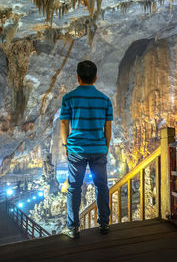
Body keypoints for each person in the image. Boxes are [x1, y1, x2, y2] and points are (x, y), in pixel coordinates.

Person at [60, 60, 112, 238]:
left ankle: (73, 228)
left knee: (74, 187)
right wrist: (105, 146)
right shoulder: (105, 100)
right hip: (98, 148)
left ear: (78, 77)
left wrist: (66, 145)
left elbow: (64, 123)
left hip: (76, 149)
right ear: (95, 78)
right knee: (101, 185)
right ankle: (104, 223)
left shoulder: (68, 98)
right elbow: (108, 128)